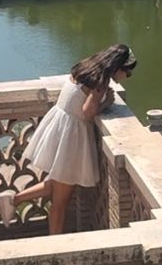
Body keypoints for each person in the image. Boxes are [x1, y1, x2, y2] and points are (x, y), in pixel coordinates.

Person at [10, 43, 137, 235]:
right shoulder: (101, 81)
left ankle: (13, 200)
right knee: (60, 201)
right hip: (72, 136)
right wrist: (107, 103)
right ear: (118, 68)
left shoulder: (86, 67)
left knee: (60, 183)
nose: (127, 77)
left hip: (59, 124)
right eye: (128, 73)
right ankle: (56, 245)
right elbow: (87, 113)